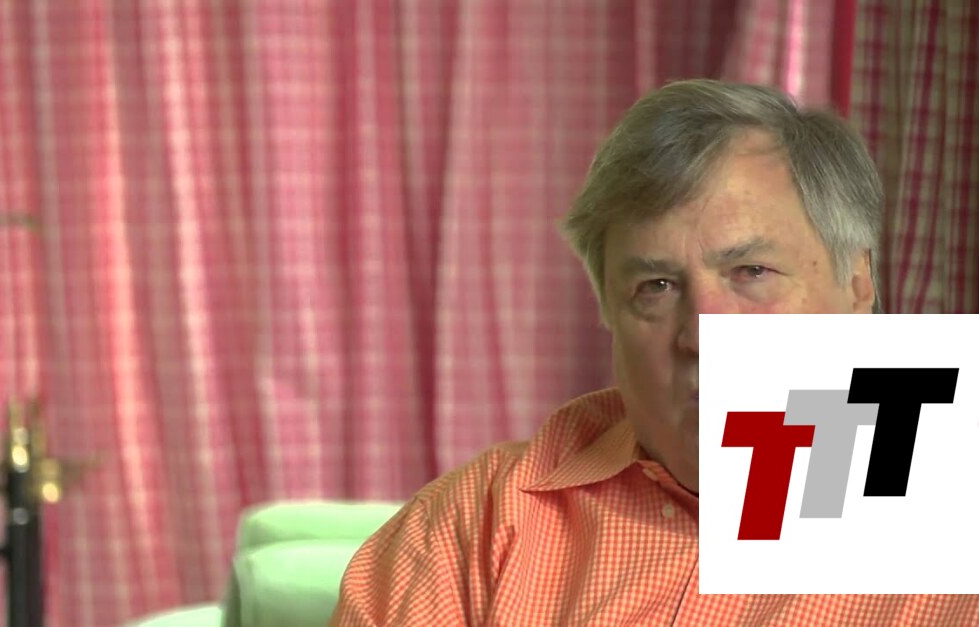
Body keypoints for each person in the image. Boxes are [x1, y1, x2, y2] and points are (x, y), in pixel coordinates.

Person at [329, 80, 979, 625]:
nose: (702, 335)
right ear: (609, 315)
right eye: (656, 287)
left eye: (751, 272)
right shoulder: (480, 520)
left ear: (858, 282)